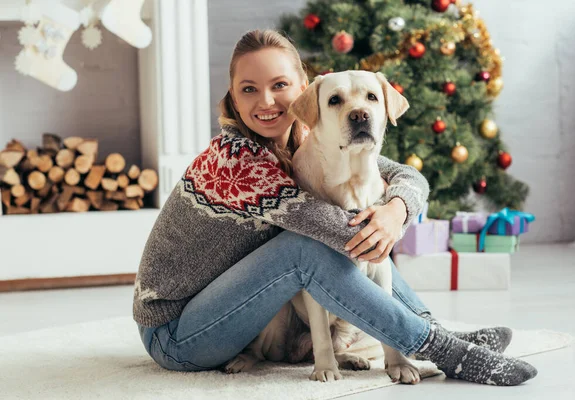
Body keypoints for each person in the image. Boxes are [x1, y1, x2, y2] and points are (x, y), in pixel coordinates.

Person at [134, 29, 537, 386]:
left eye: (279, 84)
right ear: (233, 100)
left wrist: (396, 207)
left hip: (236, 311)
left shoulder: (314, 130)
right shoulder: (236, 160)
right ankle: (439, 346)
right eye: (249, 89)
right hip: (175, 333)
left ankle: (432, 330)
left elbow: (406, 176)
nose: (267, 101)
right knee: (321, 243)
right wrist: (388, 218)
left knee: (369, 221)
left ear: (304, 90)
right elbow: (343, 233)